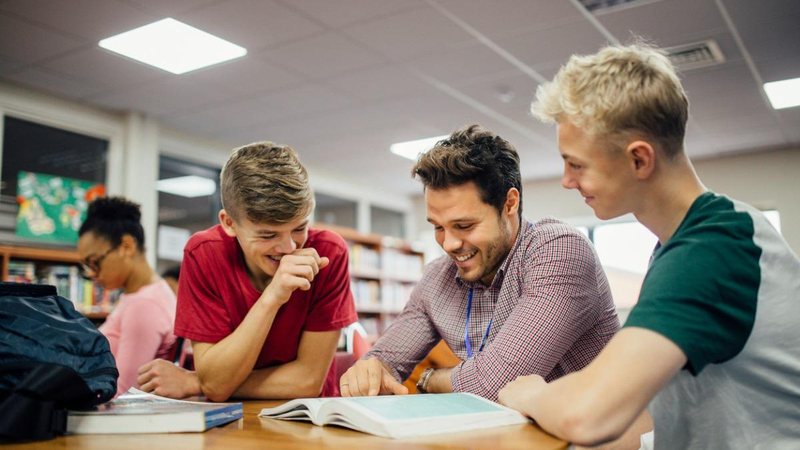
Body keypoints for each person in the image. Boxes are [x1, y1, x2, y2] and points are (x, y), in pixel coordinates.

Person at [497, 43, 800, 449]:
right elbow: (653, 408)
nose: (567, 180)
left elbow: (588, 416)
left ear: (639, 159)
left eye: (577, 164)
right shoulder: (690, 240)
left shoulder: (712, 249)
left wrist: (531, 393)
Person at [340, 124, 619, 401]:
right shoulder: (438, 277)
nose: (448, 244)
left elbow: (496, 384)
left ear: (509, 204)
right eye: (438, 227)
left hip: (587, 440)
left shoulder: (558, 249)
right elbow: (382, 361)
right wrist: (368, 372)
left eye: (464, 225)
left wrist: (429, 379)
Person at [137, 141, 358, 401]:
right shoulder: (203, 253)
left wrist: (198, 382)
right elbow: (216, 384)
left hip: (308, 418)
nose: (288, 247)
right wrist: (273, 296)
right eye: (268, 234)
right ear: (229, 223)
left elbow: (307, 381)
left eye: (299, 228)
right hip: (227, 421)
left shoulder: (329, 253)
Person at [77, 197, 178, 396]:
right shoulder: (140, 296)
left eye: (94, 262)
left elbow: (124, 393)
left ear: (126, 246)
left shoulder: (144, 304)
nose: (91, 273)